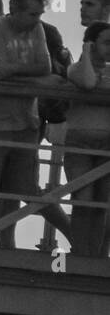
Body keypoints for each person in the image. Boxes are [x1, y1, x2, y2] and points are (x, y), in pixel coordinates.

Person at [0, 0, 54, 248]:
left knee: (25, 191)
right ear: (15, 10)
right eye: (32, 14)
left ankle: (10, 245)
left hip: (26, 122)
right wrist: (32, 76)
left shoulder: (37, 28)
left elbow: (45, 66)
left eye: (39, 14)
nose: (37, 20)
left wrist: (13, 69)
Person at [65, 22, 110, 257]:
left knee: (102, 202)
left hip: (106, 147)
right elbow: (88, 83)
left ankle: (98, 255)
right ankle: (81, 252)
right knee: (83, 199)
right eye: (106, 43)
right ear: (92, 43)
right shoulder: (75, 69)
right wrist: (86, 53)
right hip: (79, 145)